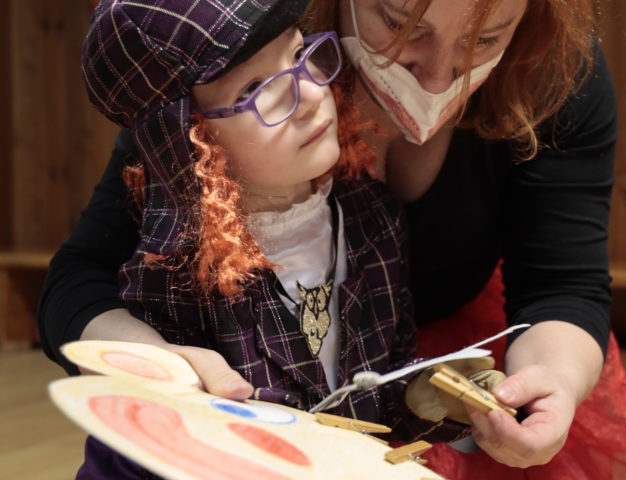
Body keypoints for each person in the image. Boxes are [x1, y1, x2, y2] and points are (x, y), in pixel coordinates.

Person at [38, 0, 626, 478]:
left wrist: (540, 385)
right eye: (401, 25)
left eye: (485, 38)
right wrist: (165, 367)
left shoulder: (551, 73)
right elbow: (82, 278)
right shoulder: (225, 37)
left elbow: (562, 285)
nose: (438, 77)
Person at [71, 0, 489, 477]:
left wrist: (425, 396)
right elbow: (178, 446)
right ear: (193, 139)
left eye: (297, 55)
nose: (309, 93)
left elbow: (375, 393)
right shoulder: (176, 271)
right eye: (254, 88)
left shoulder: (373, 217)